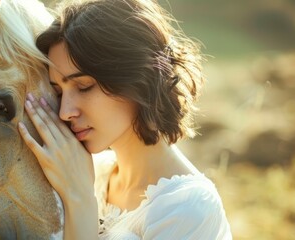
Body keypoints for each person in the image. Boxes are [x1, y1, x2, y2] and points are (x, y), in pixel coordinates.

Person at [17, 0, 232, 239]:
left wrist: (80, 199)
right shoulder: (89, 172)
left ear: (135, 80)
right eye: (58, 91)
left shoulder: (188, 210)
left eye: (84, 86)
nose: (65, 112)